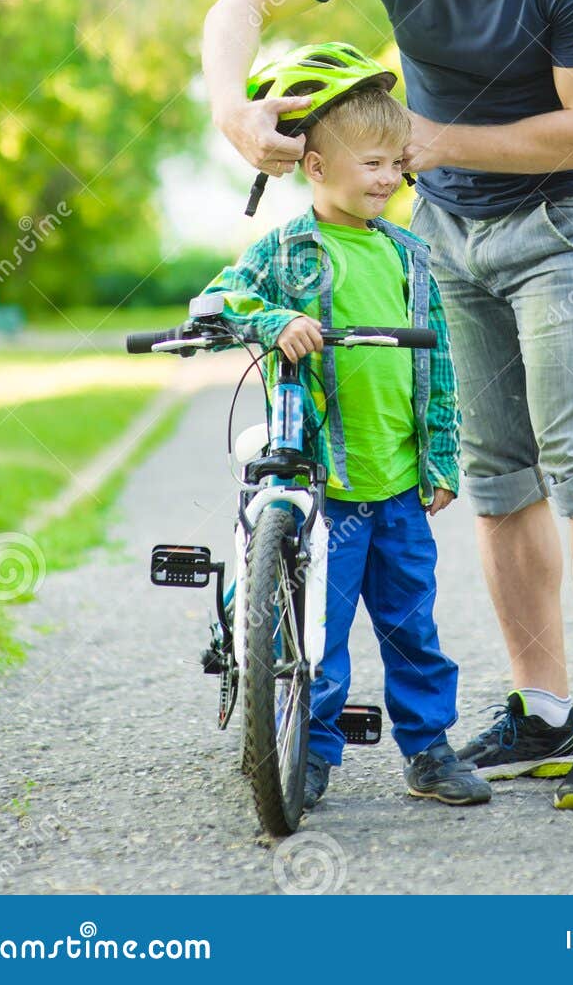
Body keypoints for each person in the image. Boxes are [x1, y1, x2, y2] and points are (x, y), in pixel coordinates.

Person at [202, 0, 573, 810]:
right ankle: (540, 709)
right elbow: (240, 4)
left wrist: (439, 142)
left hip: (560, 225)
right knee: (495, 469)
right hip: (448, 234)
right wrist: (233, 108)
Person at [201, 47, 490, 810]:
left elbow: (439, 371)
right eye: (372, 163)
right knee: (318, 641)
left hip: (395, 487)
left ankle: (428, 752)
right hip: (322, 483)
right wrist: (274, 318)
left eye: (397, 164)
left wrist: (439, 460)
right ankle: (311, 753)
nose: (389, 178)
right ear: (316, 165)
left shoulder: (410, 255)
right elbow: (218, 302)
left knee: (412, 631)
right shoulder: (286, 250)